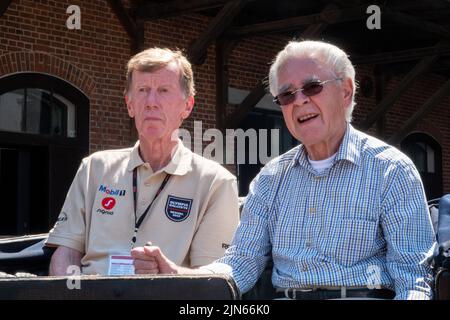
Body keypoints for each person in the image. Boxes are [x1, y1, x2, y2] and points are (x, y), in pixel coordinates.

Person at [134, 40, 436, 300]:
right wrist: (179, 276)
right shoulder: (271, 178)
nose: (300, 100)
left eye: (312, 86)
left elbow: (413, 278)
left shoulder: (391, 170)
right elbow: (241, 263)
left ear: (345, 92)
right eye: (287, 95)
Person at [45, 47, 240, 276]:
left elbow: (214, 277)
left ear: (187, 106)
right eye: (143, 90)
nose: (151, 102)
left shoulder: (216, 182)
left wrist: (168, 272)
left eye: (164, 90)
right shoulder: (94, 169)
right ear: (130, 104)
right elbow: (66, 252)